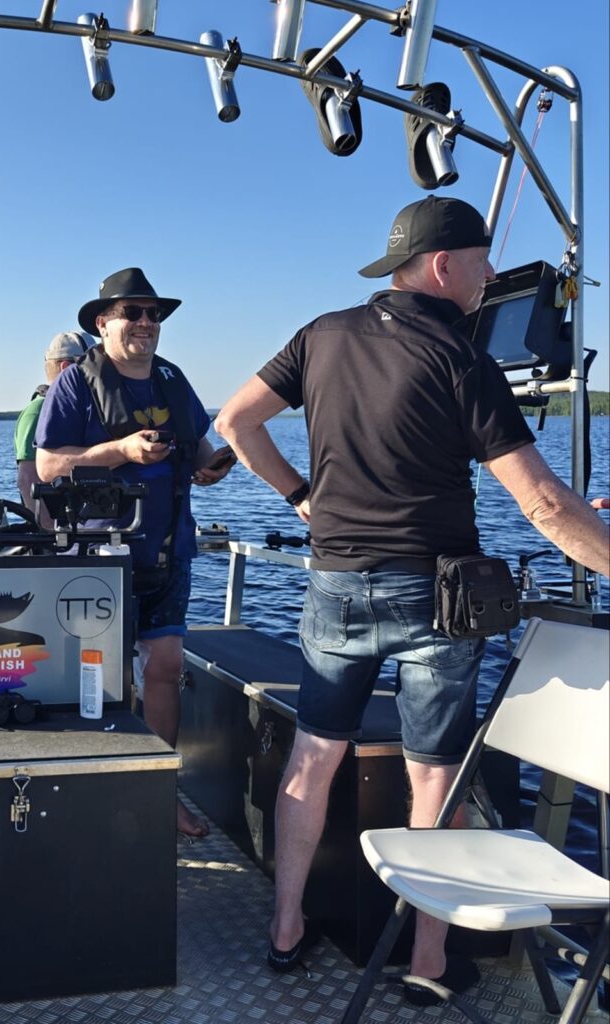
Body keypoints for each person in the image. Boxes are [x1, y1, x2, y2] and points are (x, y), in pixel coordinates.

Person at [214, 197, 610, 1002]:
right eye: (482, 262)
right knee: (433, 779)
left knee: (313, 758)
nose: (489, 277)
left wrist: (301, 496)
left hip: (334, 584)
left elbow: (235, 421)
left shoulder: (319, 335)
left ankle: (286, 930)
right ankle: (427, 962)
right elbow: (543, 504)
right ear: (443, 265)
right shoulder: (463, 359)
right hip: (434, 598)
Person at [35, 267, 236, 838]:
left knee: (166, 669)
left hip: (168, 550)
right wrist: (121, 450)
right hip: (98, 556)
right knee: (93, 680)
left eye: (154, 314)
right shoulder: (77, 383)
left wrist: (214, 464)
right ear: (103, 322)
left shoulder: (173, 379)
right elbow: (48, 465)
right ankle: (90, 791)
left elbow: (201, 445)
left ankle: (158, 793)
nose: (146, 323)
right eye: (133, 312)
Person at [14, 330, 92, 526]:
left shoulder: (80, 410)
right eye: (93, 366)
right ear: (66, 368)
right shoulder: (38, 411)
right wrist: (51, 535)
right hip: (61, 533)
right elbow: (27, 479)